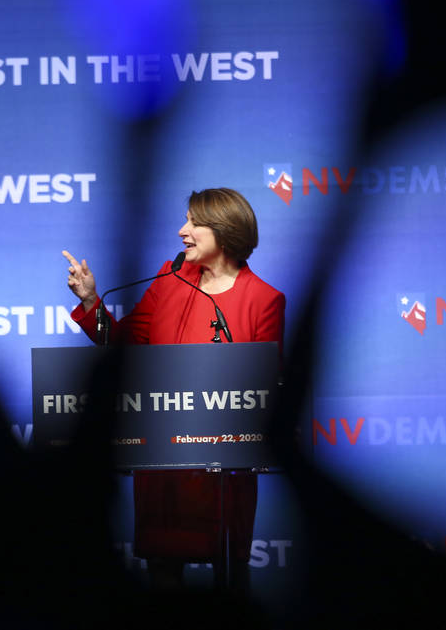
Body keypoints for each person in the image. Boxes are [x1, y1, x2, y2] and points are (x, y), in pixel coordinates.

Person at [62, 187, 285, 589]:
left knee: (229, 579)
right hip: (164, 464)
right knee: (162, 576)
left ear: (225, 230)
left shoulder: (264, 300)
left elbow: (264, 388)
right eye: (185, 220)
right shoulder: (168, 281)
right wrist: (92, 301)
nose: (183, 230)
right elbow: (123, 345)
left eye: (194, 223)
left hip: (222, 470)